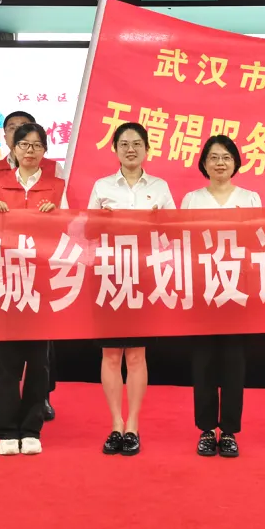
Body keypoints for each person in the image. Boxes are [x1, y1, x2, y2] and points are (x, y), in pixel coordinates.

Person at [0, 110, 64, 419]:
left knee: (40, 338)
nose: (27, 145)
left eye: (32, 138)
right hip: (2, 264)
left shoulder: (53, 171)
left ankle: (41, 397)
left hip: (39, 265)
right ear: (8, 137)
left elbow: (66, 215)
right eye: (15, 131)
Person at [89, 122, 176, 456]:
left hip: (144, 276)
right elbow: (88, 232)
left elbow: (174, 232)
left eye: (137, 143)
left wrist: (159, 222)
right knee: (111, 354)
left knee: (137, 354)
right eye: (124, 143)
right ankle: (115, 424)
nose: (130, 149)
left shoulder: (160, 187)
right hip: (110, 276)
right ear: (114, 149)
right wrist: (100, 221)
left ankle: (133, 426)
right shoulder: (101, 187)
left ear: (147, 149)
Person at [181, 135, 262, 459]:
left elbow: (260, 242)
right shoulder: (191, 200)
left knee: (233, 363)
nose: (220, 163)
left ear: (236, 163)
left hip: (237, 292)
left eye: (227, 157)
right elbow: (181, 244)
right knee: (203, 363)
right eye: (213, 157)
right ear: (203, 163)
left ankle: (228, 431)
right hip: (202, 292)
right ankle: (205, 429)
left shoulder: (251, 199)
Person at [0, 123, 64, 456]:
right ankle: (6, 429)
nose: (30, 151)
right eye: (24, 145)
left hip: (41, 281)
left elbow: (71, 229)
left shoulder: (57, 186)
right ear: (13, 149)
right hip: (5, 279)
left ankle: (32, 428)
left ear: (45, 151)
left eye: (37, 145)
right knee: (6, 359)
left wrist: (57, 215)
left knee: (38, 360)